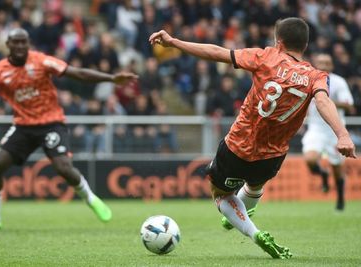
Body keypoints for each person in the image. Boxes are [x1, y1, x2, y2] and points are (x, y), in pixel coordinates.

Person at [149, 17, 356, 259]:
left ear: (279, 42)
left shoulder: (266, 56)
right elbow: (323, 101)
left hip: (237, 145)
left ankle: (252, 231)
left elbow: (217, 53)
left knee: (221, 195)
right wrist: (342, 135)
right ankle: (242, 214)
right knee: (255, 185)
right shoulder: (316, 76)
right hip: (272, 156)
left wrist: (174, 42)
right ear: (306, 45)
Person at [0, 28, 137, 232]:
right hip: (23, 126)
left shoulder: (41, 61)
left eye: (23, 42)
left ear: (28, 44)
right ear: (8, 45)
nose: (20, 46)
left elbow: (77, 73)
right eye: (15, 42)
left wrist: (111, 78)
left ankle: (91, 199)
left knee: (63, 167)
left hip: (51, 123)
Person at [302, 53, 354, 211]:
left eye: (327, 62)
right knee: (310, 160)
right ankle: (323, 174)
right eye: (320, 62)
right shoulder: (308, 79)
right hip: (316, 128)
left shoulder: (338, 82)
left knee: (337, 168)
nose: (324, 65)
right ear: (315, 64)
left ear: (331, 66)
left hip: (335, 130)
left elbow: (348, 105)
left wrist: (323, 99)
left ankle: (340, 199)